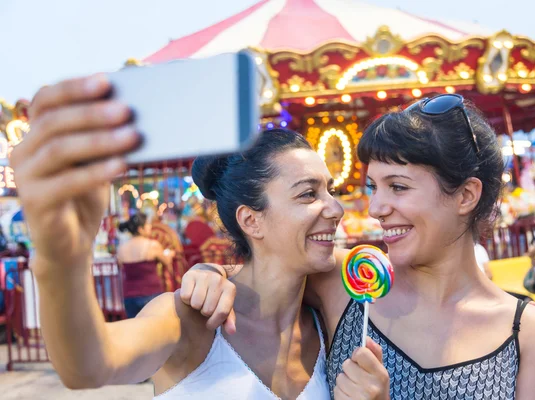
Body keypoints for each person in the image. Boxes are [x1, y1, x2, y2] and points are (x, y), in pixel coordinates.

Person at [10, 75, 389, 399]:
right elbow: (88, 365)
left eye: (330, 190)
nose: (335, 209)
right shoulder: (191, 317)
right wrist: (61, 259)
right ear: (251, 221)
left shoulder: (329, 322)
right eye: (308, 194)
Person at [184, 94, 535, 399]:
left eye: (398, 187)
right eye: (374, 187)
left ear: (466, 195)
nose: (376, 209)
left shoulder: (529, 336)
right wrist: (209, 274)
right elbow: (264, 271)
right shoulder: (347, 283)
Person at [117, 212, 173, 318]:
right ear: (140, 229)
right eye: (147, 225)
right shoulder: (152, 245)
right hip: (151, 294)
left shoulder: (121, 249)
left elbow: (120, 267)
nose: (150, 227)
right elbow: (166, 261)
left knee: (135, 330)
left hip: (129, 296)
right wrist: (170, 254)